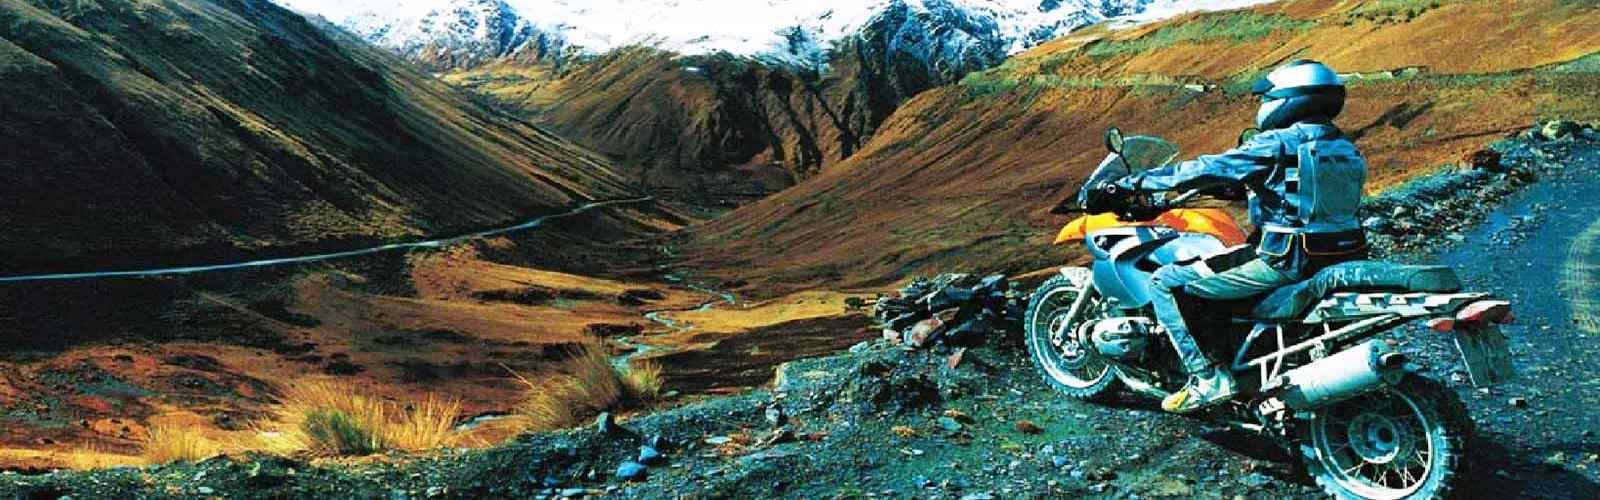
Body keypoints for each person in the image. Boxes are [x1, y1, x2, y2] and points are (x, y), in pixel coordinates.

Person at [1108, 60, 1370, 413]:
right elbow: (1301, 194)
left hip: (1285, 261)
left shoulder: (1278, 142)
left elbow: (1206, 168)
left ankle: (1206, 377)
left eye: (1268, 98)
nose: (1263, 106)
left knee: (1166, 282)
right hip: (1344, 254)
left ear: (1289, 100)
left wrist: (1131, 183)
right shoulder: (1344, 147)